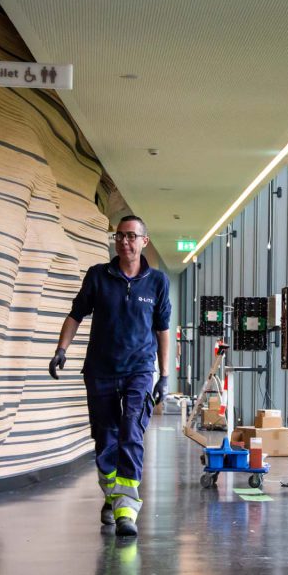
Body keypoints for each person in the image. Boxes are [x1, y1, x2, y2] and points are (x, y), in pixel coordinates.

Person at [49, 215, 171, 537]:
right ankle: (113, 496)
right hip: (100, 370)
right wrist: (61, 349)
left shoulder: (157, 282)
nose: (125, 241)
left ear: (144, 241)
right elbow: (76, 314)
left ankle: (127, 508)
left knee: (131, 432)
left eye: (131, 236)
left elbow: (162, 330)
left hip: (140, 371)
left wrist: (165, 374)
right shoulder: (97, 276)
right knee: (105, 439)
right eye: (120, 236)